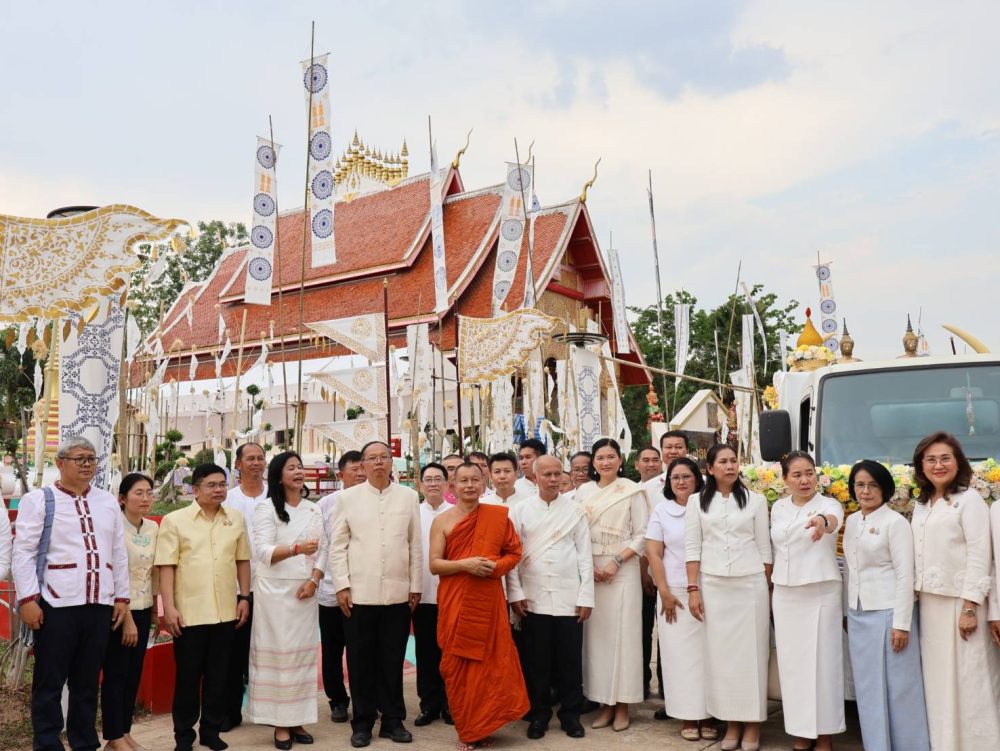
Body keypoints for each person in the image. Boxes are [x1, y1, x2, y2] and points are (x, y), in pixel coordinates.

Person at [13, 437, 130, 751]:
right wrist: (28, 600)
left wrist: (121, 597)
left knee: (87, 682)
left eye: (91, 458)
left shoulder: (107, 502)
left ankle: (84, 743)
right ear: (60, 463)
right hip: (56, 603)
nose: (87, 464)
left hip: (98, 603)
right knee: (49, 682)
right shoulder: (40, 500)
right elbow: (23, 552)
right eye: (79, 458)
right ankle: (47, 744)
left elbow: (118, 553)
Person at [328, 440, 422, 748]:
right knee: (360, 662)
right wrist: (342, 585)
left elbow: (415, 545)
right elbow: (337, 546)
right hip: (359, 595)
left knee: (392, 660)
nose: (379, 462)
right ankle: (363, 723)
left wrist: (415, 585)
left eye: (384, 457)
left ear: (392, 462)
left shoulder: (408, 497)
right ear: (363, 465)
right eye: (372, 458)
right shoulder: (347, 499)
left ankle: (393, 721)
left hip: (397, 594)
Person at [430, 462, 529, 750]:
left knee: (490, 663)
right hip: (456, 601)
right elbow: (435, 564)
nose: (470, 485)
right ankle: (468, 729)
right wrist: (466, 565)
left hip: (488, 599)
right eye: (464, 481)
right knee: (457, 664)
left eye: (475, 480)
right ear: (453, 486)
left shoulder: (496, 517)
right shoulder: (443, 521)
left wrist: (494, 567)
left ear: (483, 483)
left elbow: (514, 553)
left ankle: (484, 725)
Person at [911, 432, 1000, 750]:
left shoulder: (970, 500)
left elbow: (980, 554)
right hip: (930, 606)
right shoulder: (921, 504)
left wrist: (970, 606)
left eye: (945, 458)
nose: (938, 465)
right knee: (939, 684)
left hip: (962, 605)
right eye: (931, 459)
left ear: (958, 462)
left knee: (970, 682)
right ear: (921, 466)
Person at [156, 463, 252, 751]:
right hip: (189, 614)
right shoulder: (175, 521)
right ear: (195, 489)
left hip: (225, 612)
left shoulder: (234, 519)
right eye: (211, 485)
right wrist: (168, 608)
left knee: (219, 677)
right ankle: (184, 736)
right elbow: (166, 567)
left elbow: (242, 560)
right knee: (188, 679)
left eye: (222, 484)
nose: (218, 489)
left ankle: (211, 731)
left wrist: (244, 597)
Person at [685, 444, 772, 751]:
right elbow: (692, 548)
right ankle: (732, 723)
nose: (730, 466)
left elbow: (764, 549)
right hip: (713, 586)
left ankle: (752, 725)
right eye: (723, 461)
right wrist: (693, 590)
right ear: (710, 468)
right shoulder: (696, 502)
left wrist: (767, 586)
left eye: (734, 460)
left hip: (750, 585)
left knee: (752, 656)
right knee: (721, 659)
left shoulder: (756, 501)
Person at [844, 460, 929, 751]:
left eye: (873, 485)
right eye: (860, 485)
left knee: (900, 689)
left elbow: (906, 575)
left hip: (889, 614)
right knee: (868, 689)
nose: (866, 491)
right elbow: (850, 569)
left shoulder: (895, 523)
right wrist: (847, 611)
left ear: (885, 489)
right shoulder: (852, 522)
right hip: (859, 615)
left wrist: (901, 624)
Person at [508, 455, 593, 740]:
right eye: (547, 474)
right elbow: (512, 555)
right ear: (535, 477)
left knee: (570, 661)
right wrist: (515, 593)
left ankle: (571, 715)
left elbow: (584, 556)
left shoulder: (575, 511)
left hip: (569, 597)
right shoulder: (519, 511)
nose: (554, 479)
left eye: (558, 474)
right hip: (534, 597)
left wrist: (586, 596)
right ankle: (539, 715)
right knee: (537, 663)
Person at [246, 451, 326, 749]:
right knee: (278, 658)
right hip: (274, 594)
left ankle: (298, 719)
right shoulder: (265, 509)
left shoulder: (313, 509)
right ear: (279, 476)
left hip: (305, 591)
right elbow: (263, 553)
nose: (298, 472)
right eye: (291, 468)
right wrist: (295, 549)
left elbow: (324, 550)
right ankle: (280, 723)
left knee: (301, 658)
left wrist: (314, 580)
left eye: (300, 467)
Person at [770, 451, 845, 750]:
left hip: (821, 590)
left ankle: (825, 732)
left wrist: (822, 522)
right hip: (786, 593)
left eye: (809, 473)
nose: (805, 480)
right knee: (794, 665)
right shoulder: (778, 507)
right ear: (785, 479)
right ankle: (802, 730)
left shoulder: (828, 504)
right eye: (797, 475)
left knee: (824, 663)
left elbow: (832, 521)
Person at [576, 437, 649, 732]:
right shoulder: (582, 492)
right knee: (597, 641)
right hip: (591, 570)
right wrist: (588, 566)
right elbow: (576, 531)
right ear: (593, 463)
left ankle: (623, 706)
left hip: (623, 569)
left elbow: (643, 534)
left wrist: (616, 561)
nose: (605, 462)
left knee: (625, 638)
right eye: (600, 457)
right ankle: (604, 704)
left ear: (620, 460)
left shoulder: (632, 490)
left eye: (610, 457)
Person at [645, 457, 716, 742]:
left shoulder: (710, 506)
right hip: (673, 591)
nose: (681, 481)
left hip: (709, 588)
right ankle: (688, 716)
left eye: (687, 476)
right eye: (675, 477)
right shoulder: (662, 510)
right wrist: (664, 592)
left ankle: (709, 714)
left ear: (698, 479)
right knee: (680, 658)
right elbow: (654, 553)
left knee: (708, 655)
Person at [101, 473, 160, 751]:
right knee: (116, 674)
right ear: (122, 499)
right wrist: (127, 619)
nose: (145, 498)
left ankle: (124, 732)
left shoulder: (153, 528)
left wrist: (155, 610)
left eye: (149, 492)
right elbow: (112, 572)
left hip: (144, 607)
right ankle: (113, 736)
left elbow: (155, 571)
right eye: (139, 493)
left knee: (133, 674)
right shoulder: (114, 528)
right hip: (119, 611)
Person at [220, 442, 268, 731]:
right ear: (237, 464)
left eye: (260, 458)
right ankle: (230, 711)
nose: (256, 463)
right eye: (250, 458)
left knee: (269, 649)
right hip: (236, 587)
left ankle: (270, 711)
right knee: (235, 651)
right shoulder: (227, 499)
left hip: (273, 585)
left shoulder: (275, 496)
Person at [317, 450, 365, 723]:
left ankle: (364, 700)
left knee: (362, 649)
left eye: (363, 468)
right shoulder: (326, 504)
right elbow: (321, 545)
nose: (361, 473)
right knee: (332, 650)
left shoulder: (375, 500)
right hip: (331, 589)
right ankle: (337, 700)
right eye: (355, 469)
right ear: (341, 474)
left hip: (364, 590)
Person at [412, 463, 453, 727]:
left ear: (447, 484)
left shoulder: (457, 513)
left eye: (438, 479)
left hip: (451, 596)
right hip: (423, 595)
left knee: (450, 653)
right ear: (420, 485)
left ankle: (451, 704)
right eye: (428, 479)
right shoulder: (413, 514)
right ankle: (428, 705)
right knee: (426, 653)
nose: (433, 484)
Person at [634, 445, 664, 702]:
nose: (651, 464)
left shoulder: (670, 490)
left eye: (655, 460)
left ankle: (667, 687)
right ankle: (640, 682)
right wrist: (644, 571)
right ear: (636, 464)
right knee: (642, 630)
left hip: (669, 573)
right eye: (646, 460)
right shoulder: (631, 491)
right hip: (640, 570)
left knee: (667, 633)